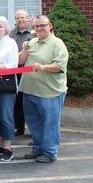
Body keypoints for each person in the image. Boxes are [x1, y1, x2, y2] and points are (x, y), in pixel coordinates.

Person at [18, 15, 68, 163]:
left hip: (50, 93)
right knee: (33, 122)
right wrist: (25, 49)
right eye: (36, 26)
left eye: (42, 25)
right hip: (30, 90)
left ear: (50, 26)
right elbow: (20, 61)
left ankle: (50, 152)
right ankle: (38, 148)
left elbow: (59, 66)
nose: (39, 28)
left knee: (50, 123)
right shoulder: (32, 42)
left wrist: (43, 67)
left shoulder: (57, 44)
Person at [0, 16, 19, 162]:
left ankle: (8, 147)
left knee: (6, 116)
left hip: (6, 83)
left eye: (0, 26)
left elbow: (14, 63)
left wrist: (0, 67)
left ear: (6, 28)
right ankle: (0, 144)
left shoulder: (11, 42)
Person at [10, 9, 35, 136]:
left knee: (31, 100)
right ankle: (19, 128)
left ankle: (33, 129)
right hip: (17, 71)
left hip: (31, 71)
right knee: (18, 100)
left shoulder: (34, 32)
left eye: (23, 17)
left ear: (27, 18)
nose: (21, 20)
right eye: (18, 18)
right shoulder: (11, 34)